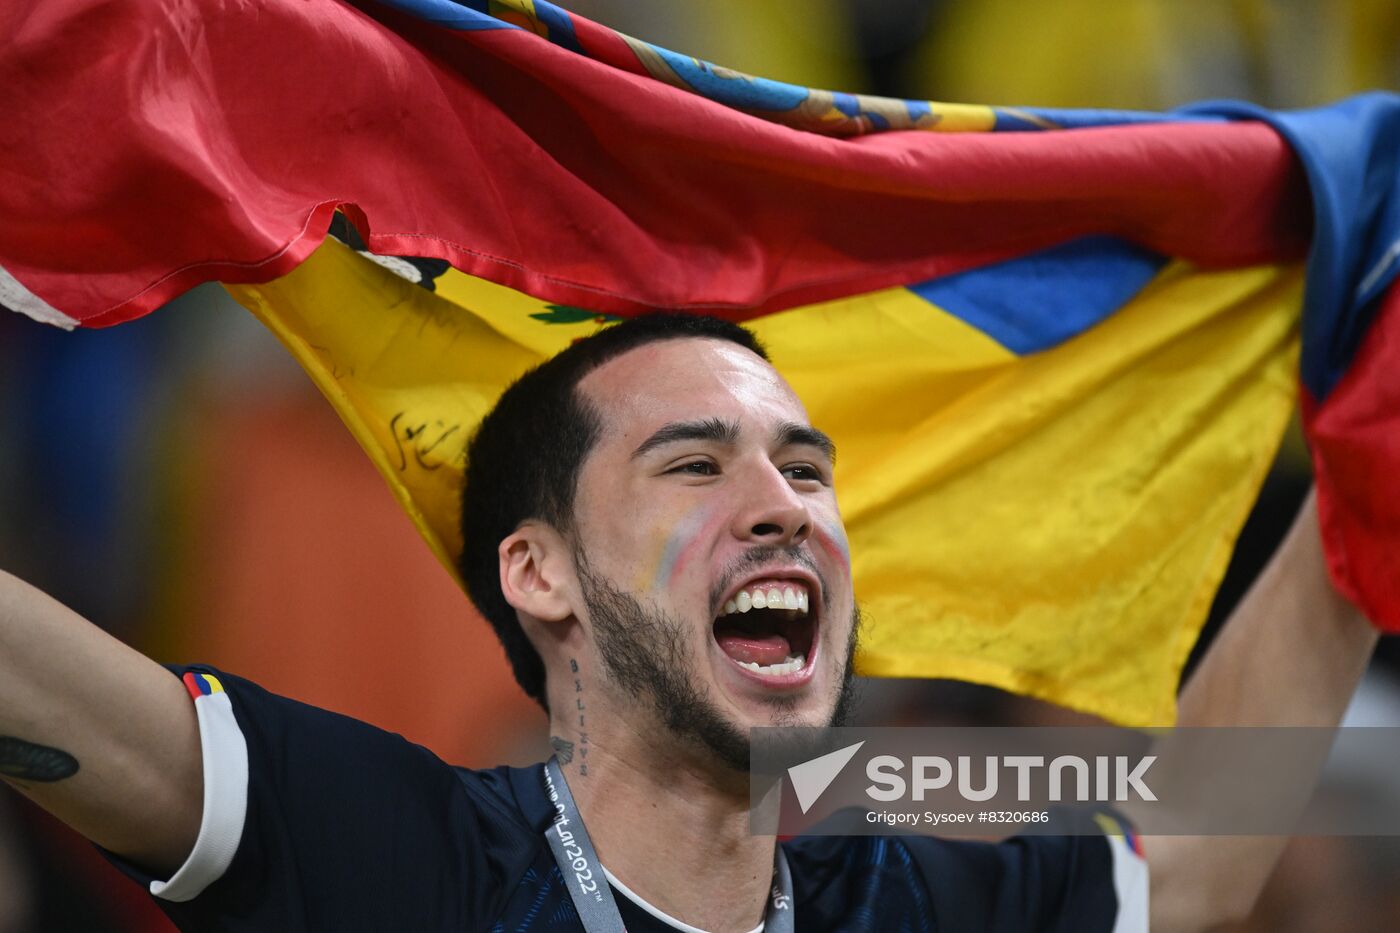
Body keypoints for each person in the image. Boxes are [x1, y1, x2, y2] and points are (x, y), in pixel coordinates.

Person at [0, 313, 1379, 932]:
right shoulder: (414, 860)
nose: (786, 505)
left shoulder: (893, 871)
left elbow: (1203, 835)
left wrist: (1369, 428)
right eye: (695, 462)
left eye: (809, 467)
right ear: (537, 572)